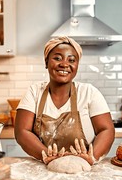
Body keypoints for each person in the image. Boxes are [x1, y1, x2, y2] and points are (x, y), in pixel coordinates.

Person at [14, 36, 115, 166]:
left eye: (71, 60)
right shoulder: (34, 92)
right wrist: (47, 156)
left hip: (85, 169)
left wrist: (92, 156)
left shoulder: (89, 93)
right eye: (57, 58)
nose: (64, 64)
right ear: (46, 62)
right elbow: (22, 132)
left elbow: (106, 130)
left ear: (77, 65)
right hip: (44, 171)